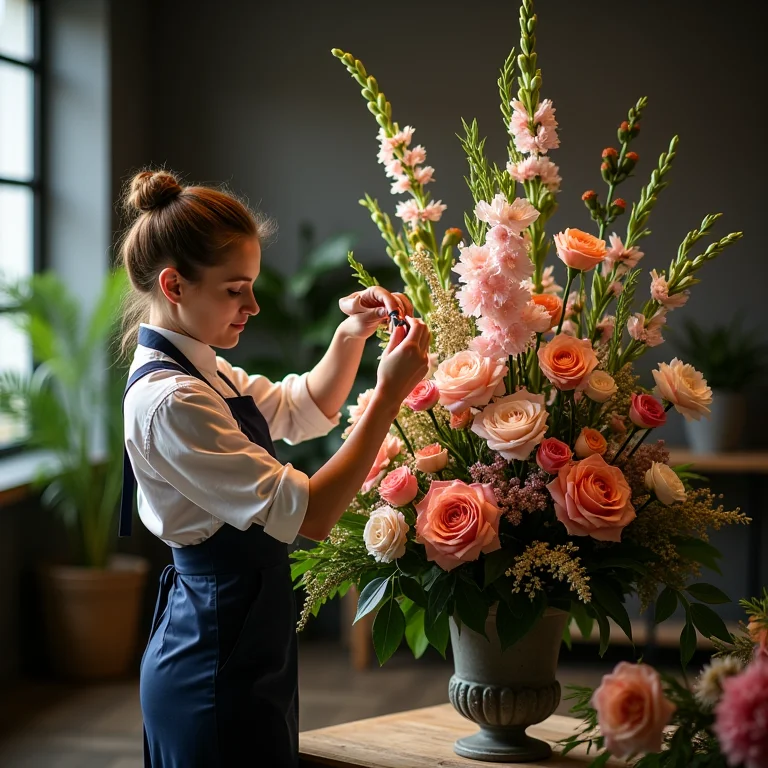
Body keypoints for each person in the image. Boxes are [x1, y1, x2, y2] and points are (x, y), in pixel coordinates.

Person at [117, 169, 430, 767]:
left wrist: (353, 333)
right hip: (211, 647)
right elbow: (312, 513)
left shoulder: (202, 369)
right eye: (235, 290)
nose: (253, 305)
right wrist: (387, 399)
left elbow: (301, 408)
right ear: (173, 285)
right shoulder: (170, 401)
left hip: (246, 630)